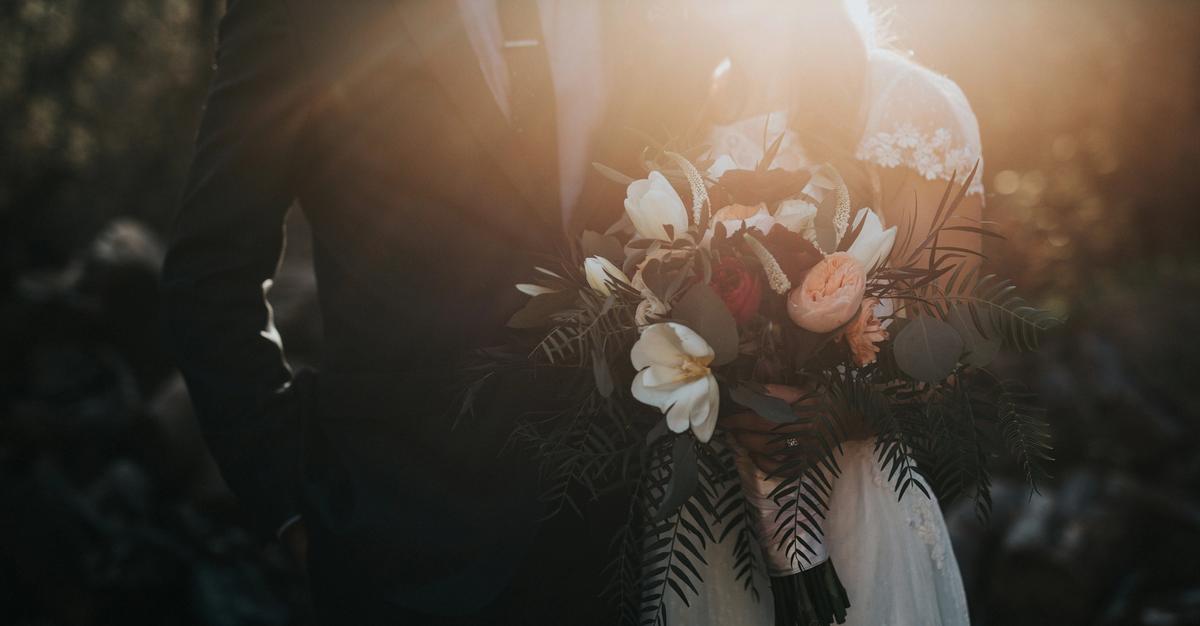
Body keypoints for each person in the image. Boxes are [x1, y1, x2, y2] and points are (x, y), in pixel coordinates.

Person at [160, 1, 708, 623]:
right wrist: (293, 502)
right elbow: (210, 272)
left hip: (628, 539)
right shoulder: (302, 14)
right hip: (401, 545)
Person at [629, 1, 984, 624]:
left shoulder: (905, 100)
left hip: (845, 503)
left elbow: (942, 338)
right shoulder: (685, 103)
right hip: (701, 519)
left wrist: (814, 415)